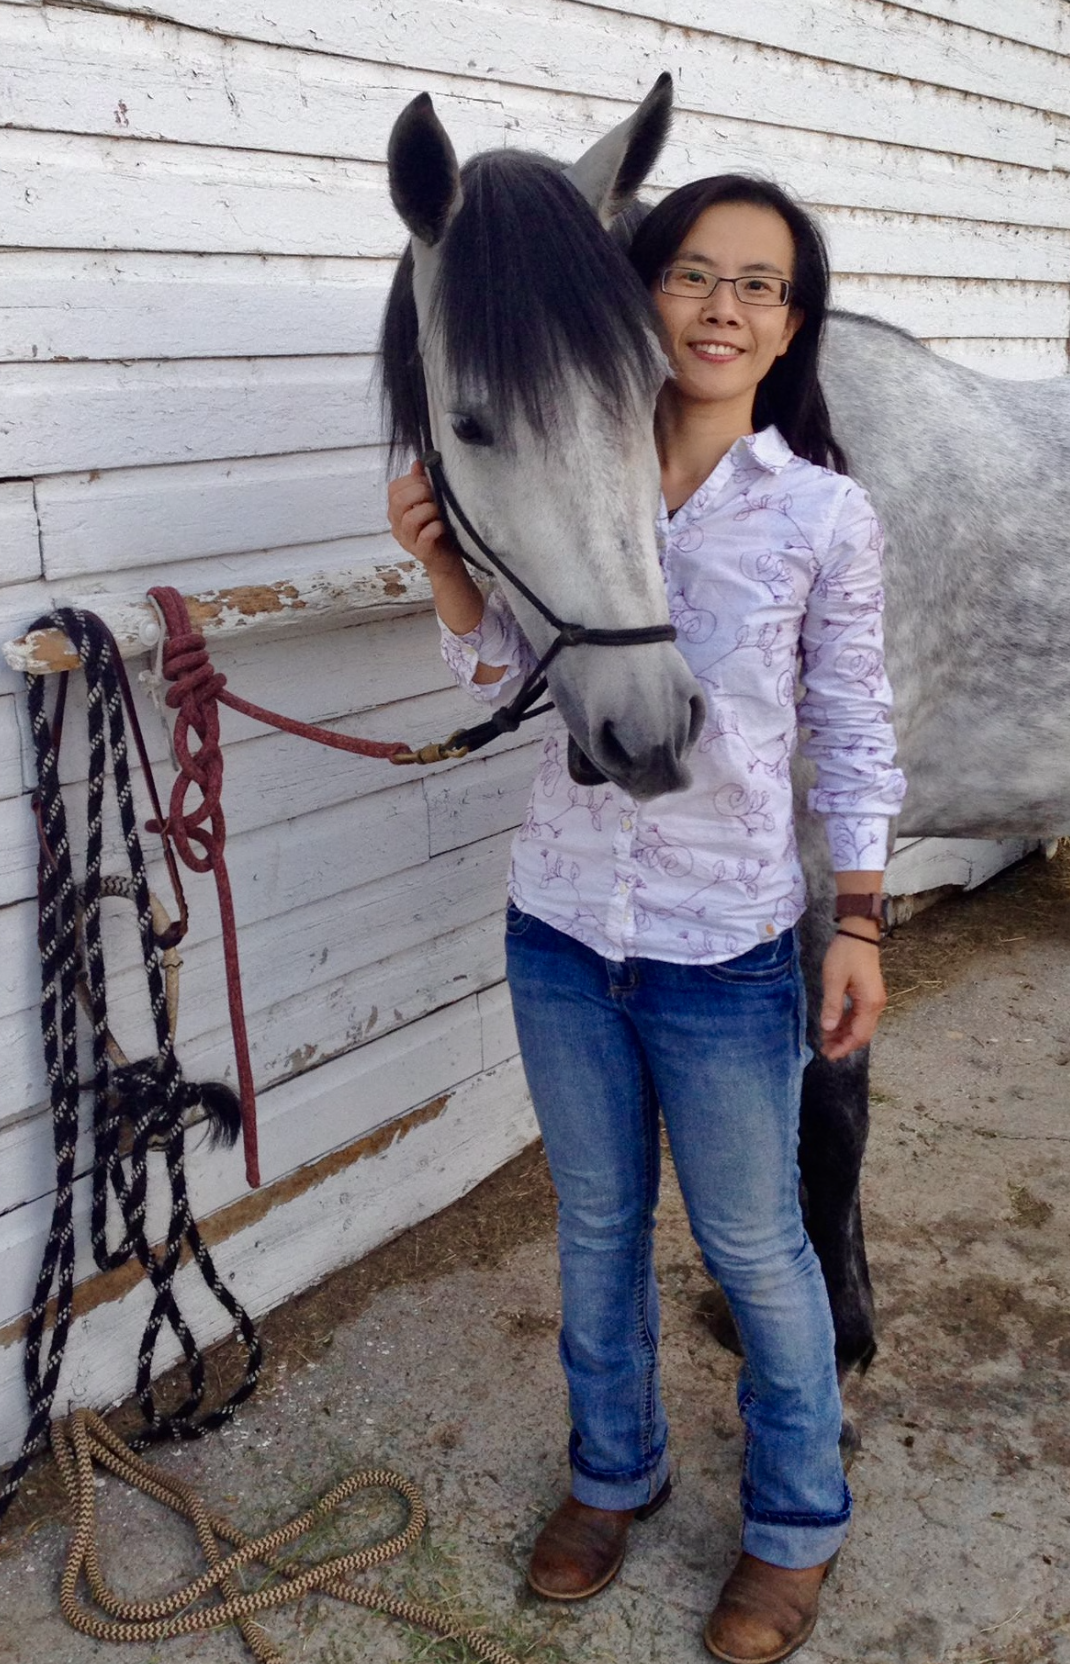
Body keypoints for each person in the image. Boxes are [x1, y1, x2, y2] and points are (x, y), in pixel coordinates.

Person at [387, 173, 907, 1664]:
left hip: (725, 944)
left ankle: (794, 1524)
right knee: (597, 1228)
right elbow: (501, 696)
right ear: (641, 293)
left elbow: (855, 730)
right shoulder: (566, 456)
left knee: (755, 1247)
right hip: (558, 925)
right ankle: (611, 1478)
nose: (725, 308)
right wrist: (438, 564)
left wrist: (859, 919)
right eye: (694, 275)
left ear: (789, 321)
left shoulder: (820, 512)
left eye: (762, 285)